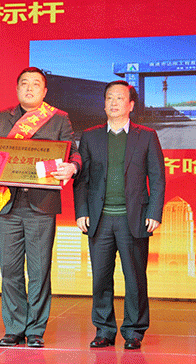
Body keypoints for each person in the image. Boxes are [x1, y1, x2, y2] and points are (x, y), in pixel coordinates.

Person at [0, 67, 80, 348]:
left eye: (36, 84)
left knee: (39, 270)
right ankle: (14, 327)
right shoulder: (0, 118)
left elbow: (73, 152)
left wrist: (72, 167)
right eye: (24, 84)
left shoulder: (58, 119)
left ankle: (36, 330)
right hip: (7, 203)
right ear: (17, 88)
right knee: (10, 269)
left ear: (45, 91)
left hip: (41, 204)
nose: (29, 88)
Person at [73, 80, 165, 350]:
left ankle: (134, 331)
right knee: (101, 278)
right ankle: (104, 329)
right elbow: (82, 179)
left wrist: (154, 212)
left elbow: (157, 177)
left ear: (131, 105)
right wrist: (81, 211)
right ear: (104, 104)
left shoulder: (146, 136)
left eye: (120, 98)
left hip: (133, 218)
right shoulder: (90, 136)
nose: (114, 103)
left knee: (135, 278)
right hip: (99, 219)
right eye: (109, 98)